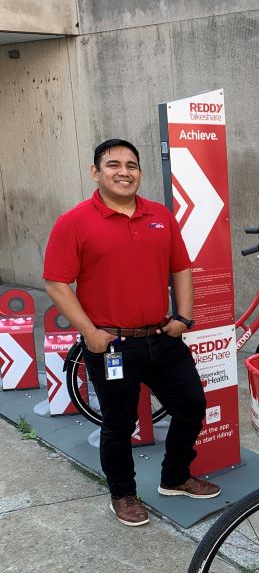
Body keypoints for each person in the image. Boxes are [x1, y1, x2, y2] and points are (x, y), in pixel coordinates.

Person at [43, 139, 220, 527]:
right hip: (110, 344)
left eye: (132, 165)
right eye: (113, 165)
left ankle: (175, 477)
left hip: (162, 337)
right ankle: (123, 494)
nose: (124, 172)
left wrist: (184, 319)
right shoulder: (74, 222)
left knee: (191, 405)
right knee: (120, 425)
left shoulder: (160, 215)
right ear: (96, 172)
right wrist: (90, 333)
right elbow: (56, 283)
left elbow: (182, 269)